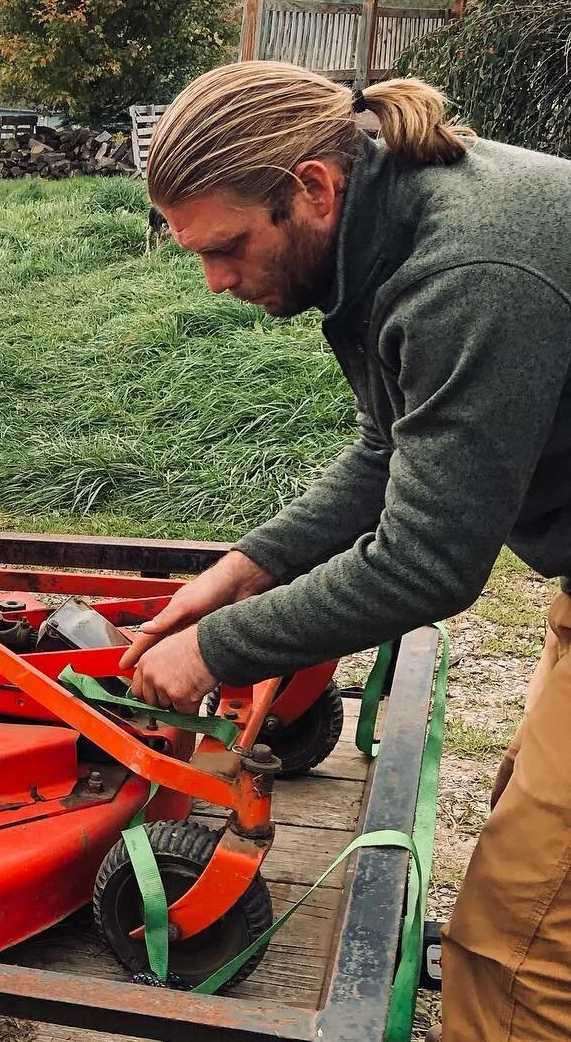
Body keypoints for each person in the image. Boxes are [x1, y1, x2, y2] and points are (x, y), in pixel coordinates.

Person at [119, 61, 571, 1042]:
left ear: (313, 189)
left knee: (518, 946)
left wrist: (212, 650)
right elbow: (391, 442)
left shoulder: (466, 273)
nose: (218, 281)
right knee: (535, 844)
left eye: (230, 246)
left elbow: (425, 564)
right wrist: (247, 568)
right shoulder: (391, 221)